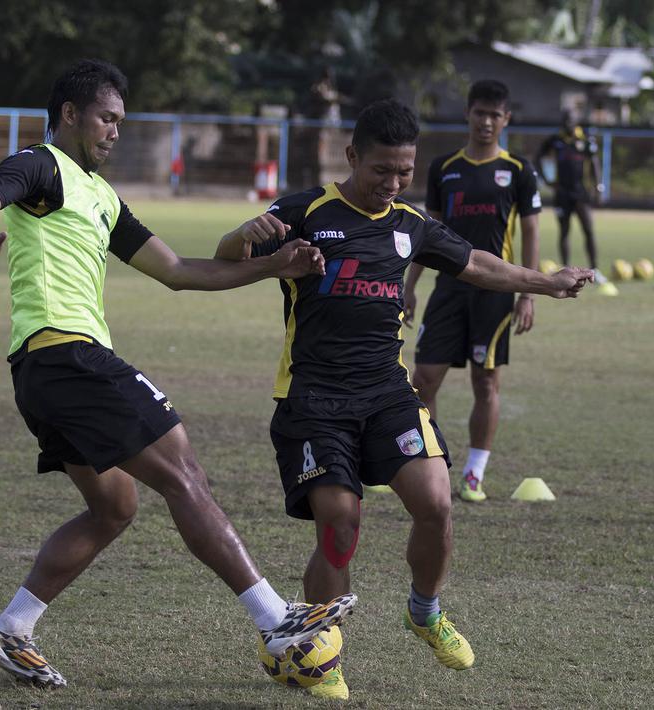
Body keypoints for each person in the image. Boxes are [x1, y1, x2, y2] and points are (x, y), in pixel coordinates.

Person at [0, 59, 355, 689]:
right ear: (70, 115)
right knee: (182, 469)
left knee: (114, 507)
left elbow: (179, 271)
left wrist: (273, 265)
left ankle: (12, 628)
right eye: (106, 118)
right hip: (65, 355)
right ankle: (275, 619)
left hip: (49, 370)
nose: (114, 131)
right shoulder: (40, 165)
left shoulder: (104, 198)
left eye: (121, 122)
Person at [214, 98, 592, 699]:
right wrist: (246, 235)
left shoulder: (409, 223)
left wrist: (544, 282)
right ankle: (319, 652)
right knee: (340, 522)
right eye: (380, 171)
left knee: (437, 503)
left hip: (387, 392)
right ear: (352, 156)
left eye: (403, 172)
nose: (391, 184)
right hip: (314, 397)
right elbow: (225, 258)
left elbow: (475, 263)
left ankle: (425, 610)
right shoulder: (303, 211)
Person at [402, 79, 542, 503]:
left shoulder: (519, 170)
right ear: (468, 114)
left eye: (494, 115)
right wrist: (410, 287)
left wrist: (528, 292)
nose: (486, 121)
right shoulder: (445, 168)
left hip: (496, 293)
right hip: (449, 289)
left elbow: (532, 231)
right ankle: (434, 466)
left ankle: (475, 473)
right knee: (423, 380)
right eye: (479, 112)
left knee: (486, 383)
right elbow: (430, 232)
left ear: (506, 120)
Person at [535, 109, 603, 281]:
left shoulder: (586, 139)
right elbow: (538, 158)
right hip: (562, 193)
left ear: (577, 121)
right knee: (564, 232)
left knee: (588, 229)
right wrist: (547, 180)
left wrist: (598, 186)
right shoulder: (555, 140)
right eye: (565, 120)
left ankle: (595, 269)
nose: (567, 124)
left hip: (581, 192)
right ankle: (566, 270)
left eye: (570, 120)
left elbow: (594, 163)